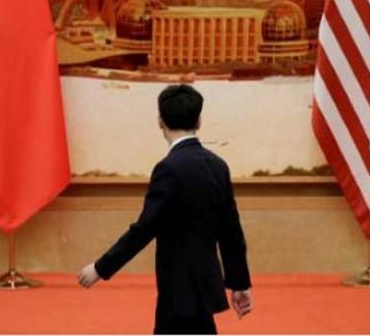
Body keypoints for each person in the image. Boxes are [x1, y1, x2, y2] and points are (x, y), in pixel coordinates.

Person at [78, 84, 252, 335]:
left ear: (161, 121)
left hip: (178, 289)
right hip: (205, 285)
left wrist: (100, 268)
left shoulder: (168, 169)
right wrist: (240, 283)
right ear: (199, 120)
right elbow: (231, 231)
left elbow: (144, 229)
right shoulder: (218, 166)